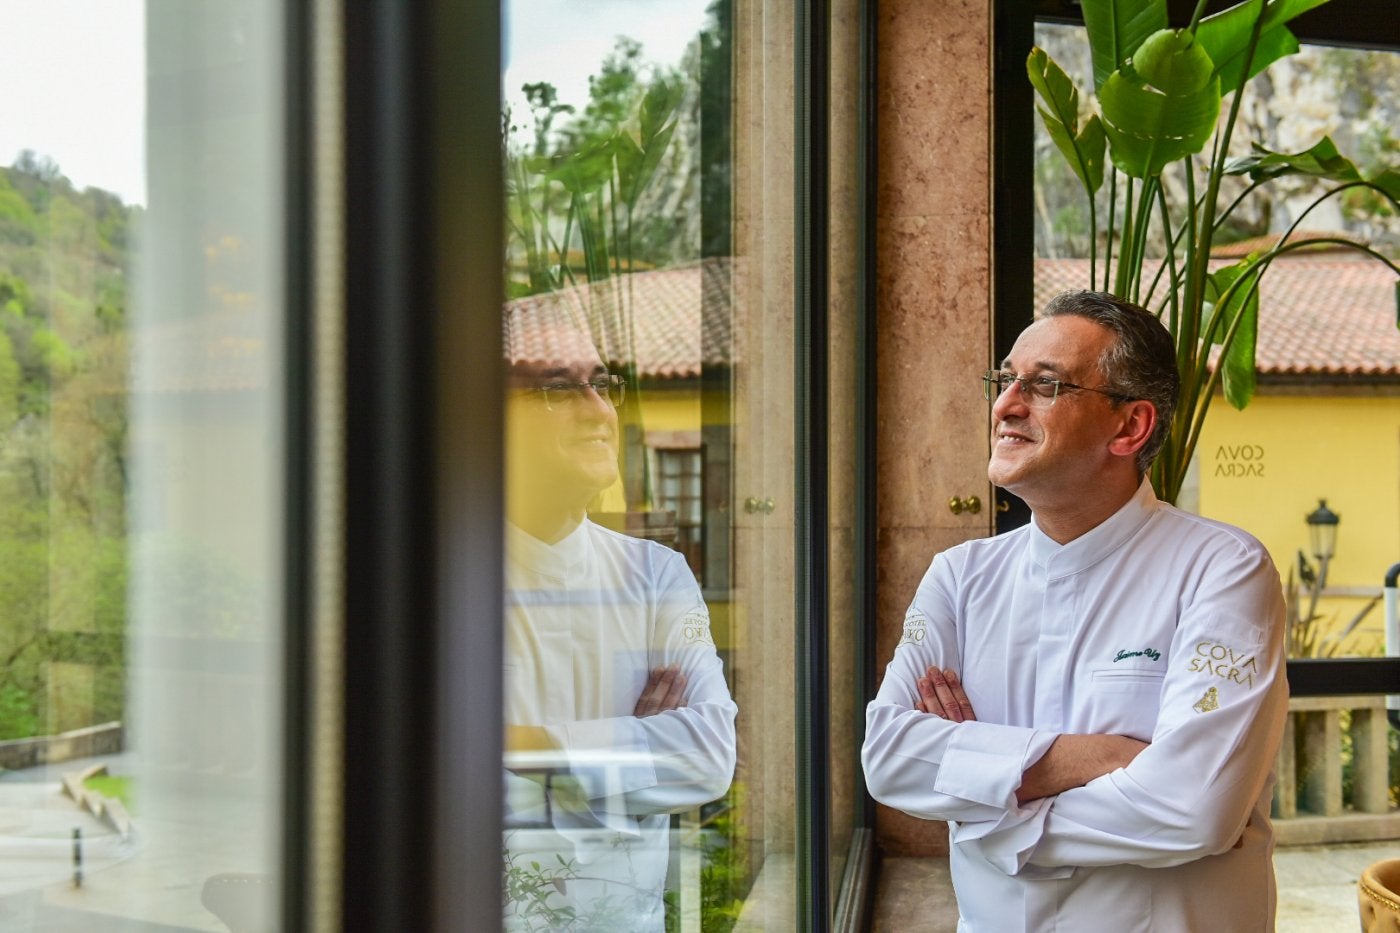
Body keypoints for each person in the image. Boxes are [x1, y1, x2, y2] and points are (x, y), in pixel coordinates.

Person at [862, 290, 1288, 931]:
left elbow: (1192, 809)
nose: (1005, 404)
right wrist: (1105, 757)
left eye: (1046, 385)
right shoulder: (960, 577)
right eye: (1005, 381)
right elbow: (890, 759)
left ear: (1130, 426)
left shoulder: (1222, 569)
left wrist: (987, 813)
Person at [501, 299, 737, 931]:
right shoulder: (432, 585)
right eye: (557, 389)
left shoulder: (657, 575)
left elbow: (709, 757)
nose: (599, 410)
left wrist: (528, 746)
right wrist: (629, 750)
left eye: (602, 385)